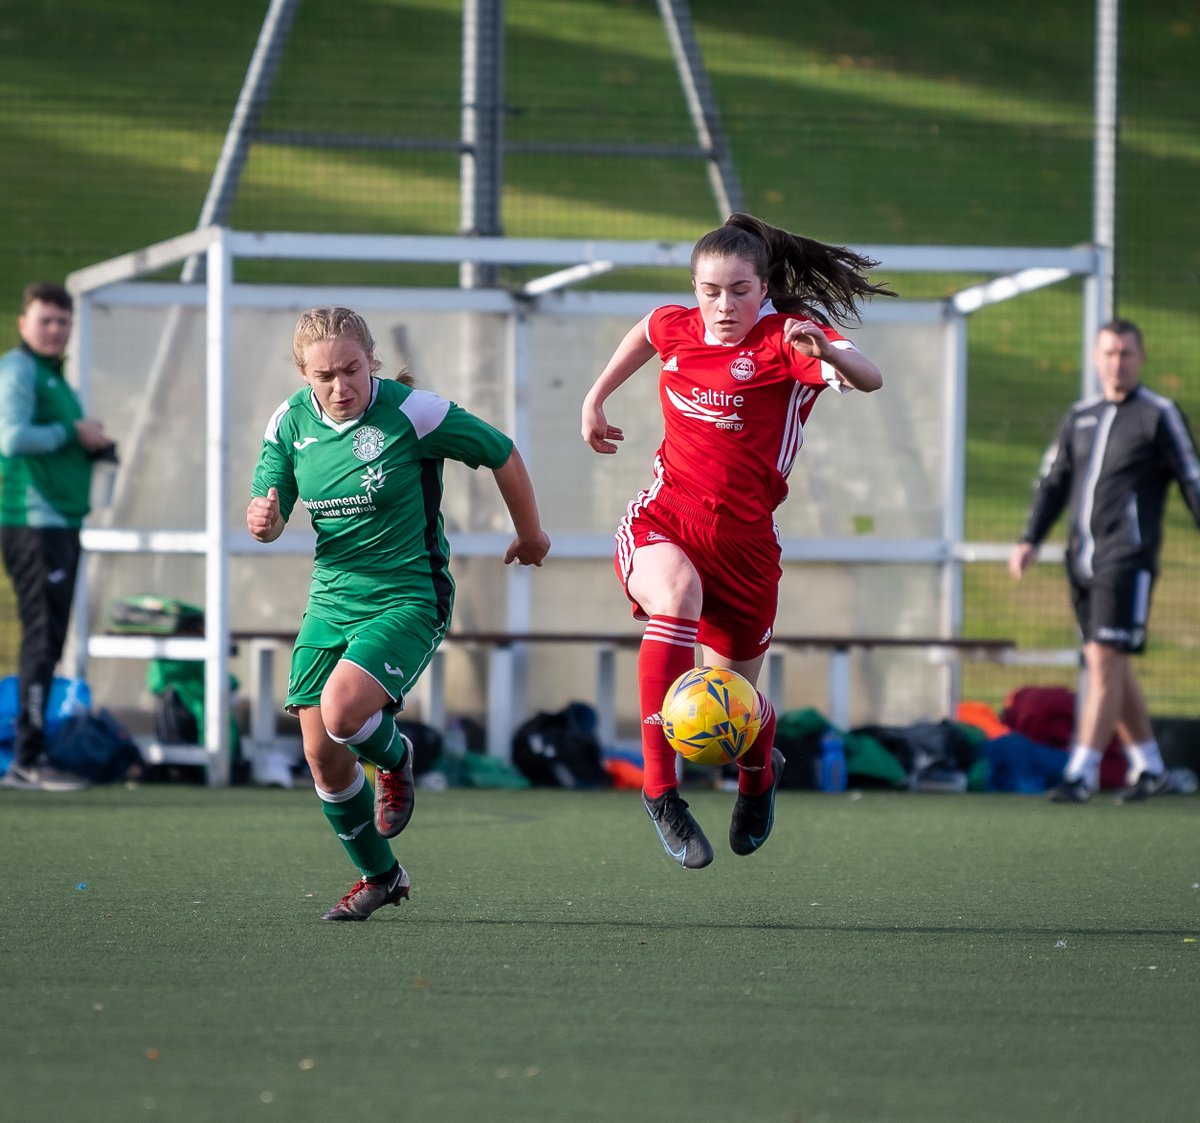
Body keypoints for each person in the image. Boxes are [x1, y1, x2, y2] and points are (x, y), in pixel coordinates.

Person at [580, 213, 892, 868]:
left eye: (740, 290)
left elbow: (870, 376)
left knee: (728, 716)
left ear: (764, 287)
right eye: (710, 290)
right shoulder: (678, 324)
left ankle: (758, 771)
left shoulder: (786, 340)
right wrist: (596, 396)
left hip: (747, 550)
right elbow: (647, 330)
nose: (724, 306)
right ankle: (660, 791)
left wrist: (827, 349)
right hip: (666, 518)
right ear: (694, 288)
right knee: (676, 594)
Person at [247, 306, 550, 920]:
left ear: (372, 361)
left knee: (342, 712)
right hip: (330, 601)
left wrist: (531, 534)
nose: (340, 387)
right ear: (304, 374)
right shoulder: (289, 421)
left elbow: (501, 452)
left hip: (409, 595)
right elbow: (270, 503)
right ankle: (381, 877)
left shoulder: (415, 412)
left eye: (352, 370)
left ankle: (396, 756)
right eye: (324, 376)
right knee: (322, 756)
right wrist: (265, 519)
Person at [1009, 319, 1200, 804]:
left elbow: (1192, 479)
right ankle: (1151, 767)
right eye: (1110, 353)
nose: (1118, 363)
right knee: (1109, 662)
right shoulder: (1081, 416)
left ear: (1142, 357)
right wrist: (1029, 539)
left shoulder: (1159, 414)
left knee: (1104, 660)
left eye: (1127, 354)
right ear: (1097, 358)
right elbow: (1052, 483)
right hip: (1083, 562)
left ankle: (1082, 771)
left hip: (1127, 559)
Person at [0, 282, 114, 792]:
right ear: (23, 322)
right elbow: (11, 437)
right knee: (43, 639)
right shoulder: (19, 370)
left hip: (60, 523)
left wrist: (91, 445)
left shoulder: (54, 377)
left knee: (49, 640)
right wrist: (74, 433)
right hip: (33, 523)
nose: (55, 329)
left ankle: (31, 754)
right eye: (45, 320)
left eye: (63, 322)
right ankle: (27, 760)